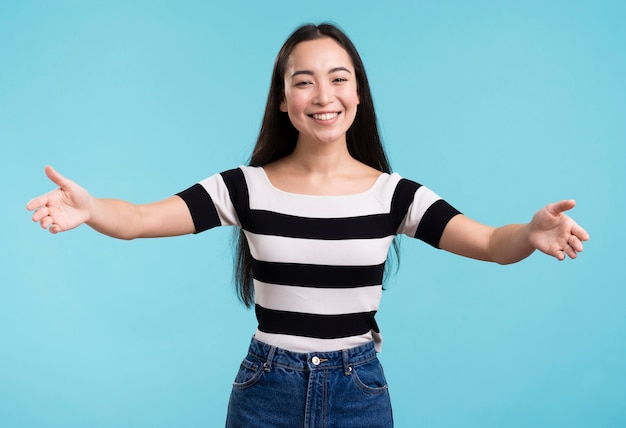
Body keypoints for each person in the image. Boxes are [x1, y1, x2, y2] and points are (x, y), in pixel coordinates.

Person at [26, 23, 589, 427]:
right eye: (304, 81)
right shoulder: (243, 188)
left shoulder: (395, 196)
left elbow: (491, 242)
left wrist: (531, 234)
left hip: (358, 389)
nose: (324, 96)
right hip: (265, 387)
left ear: (358, 94)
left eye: (339, 79)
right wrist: (92, 208)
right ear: (282, 99)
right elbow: (141, 219)